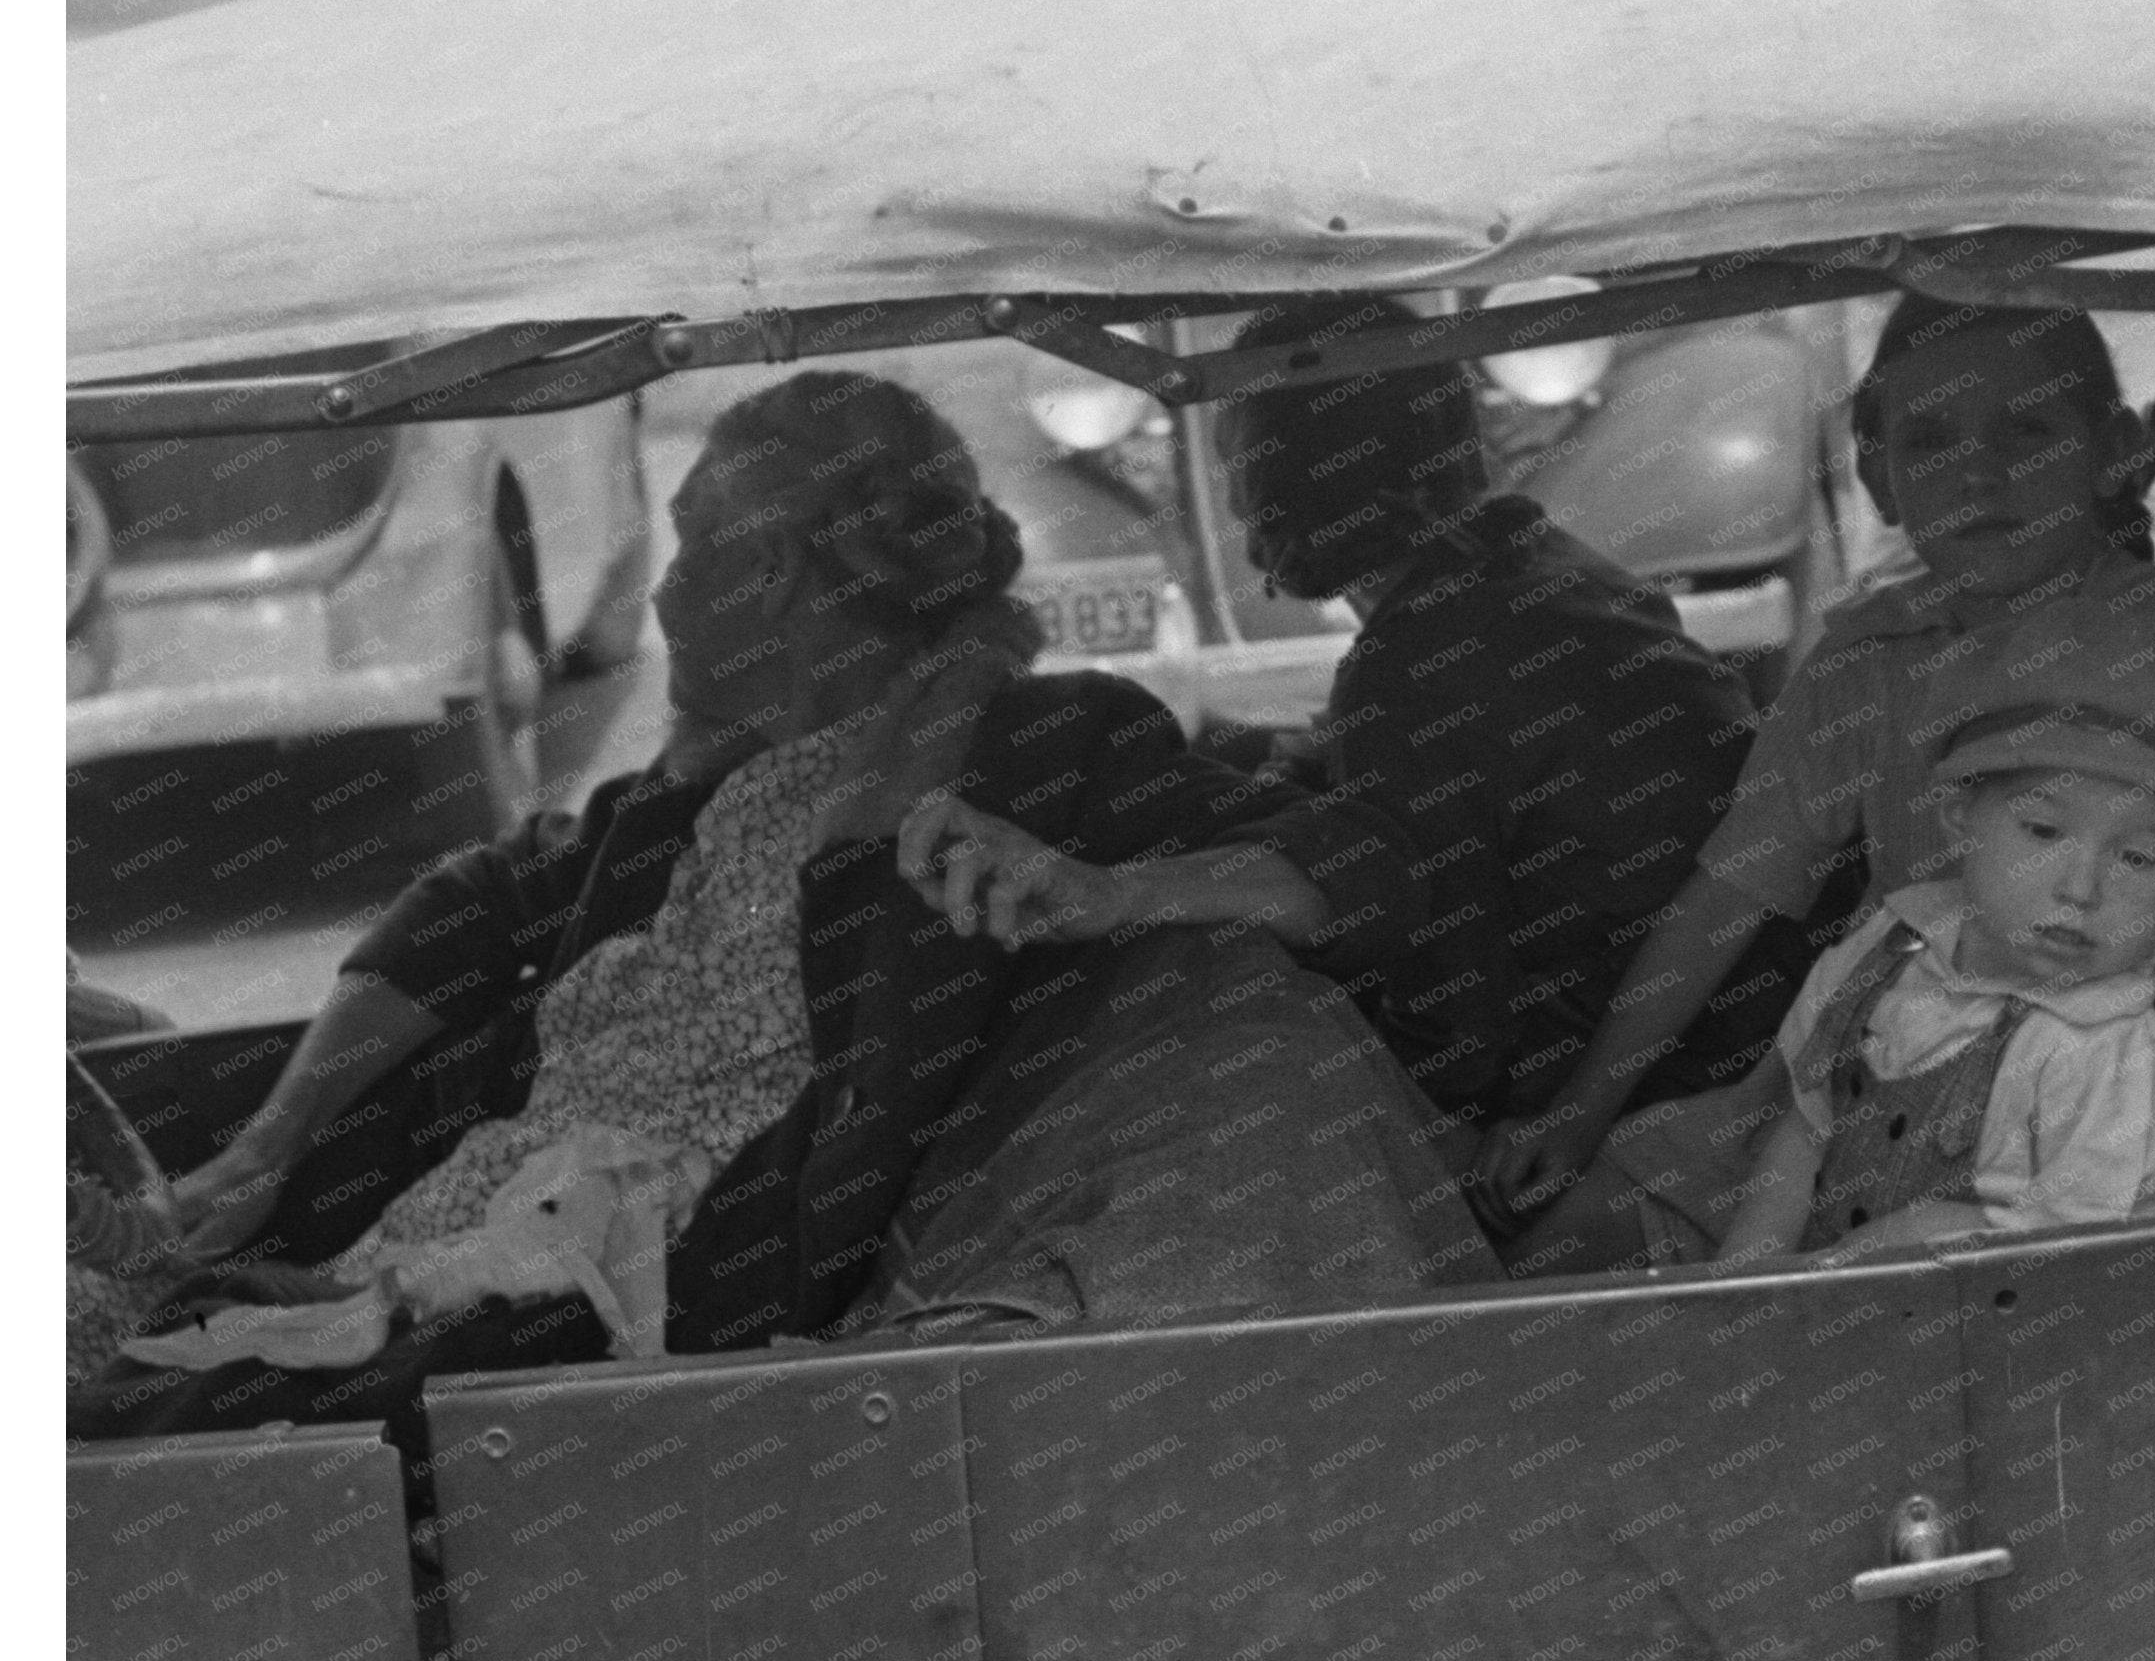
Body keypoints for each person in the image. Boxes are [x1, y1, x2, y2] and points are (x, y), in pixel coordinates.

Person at [85, 371, 1416, 1437]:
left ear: (776, 573)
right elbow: (465, 909)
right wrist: (268, 1144)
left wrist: (1107, 892)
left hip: (609, 1322)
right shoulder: (682, 796)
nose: (660, 593)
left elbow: (1362, 870)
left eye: (693, 551)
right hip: (426, 1264)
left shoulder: (1035, 748)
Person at [897, 299, 1778, 1179]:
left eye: (1265, 463)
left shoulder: (1412, 660)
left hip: (1672, 1084)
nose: (1245, 502)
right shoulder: (1546, 561)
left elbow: (1453, 1016)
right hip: (1742, 1012)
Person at [1482, 293, 2155, 1232]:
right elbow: (1729, 894)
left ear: (2108, 451)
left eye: (2026, 429)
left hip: (2083, 1083)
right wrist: (1581, 1110)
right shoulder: (1867, 657)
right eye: (1932, 441)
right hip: (1876, 1052)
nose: (1980, 473)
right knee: (1590, 1221)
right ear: (1878, 474)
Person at [1704, 593, 2155, 1261]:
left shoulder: (2110, 1060)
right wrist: (1746, 1287)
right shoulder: (1888, 948)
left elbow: (2081, 1258)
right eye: (2042, 830)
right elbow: (1807, 1131)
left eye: (2136, 858)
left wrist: (1907, 1237)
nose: (2081, 889)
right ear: (1958, 816)